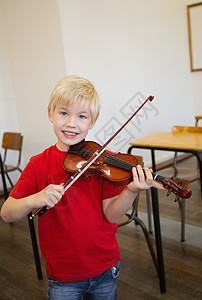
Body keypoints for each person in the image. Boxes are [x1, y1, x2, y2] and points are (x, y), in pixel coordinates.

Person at [1, 75, 163, 300]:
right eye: (64, 113)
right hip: (63, 275)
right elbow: (7, 213)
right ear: (50, 113)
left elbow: (111, 214)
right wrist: (36, 198)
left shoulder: (102, 161)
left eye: (82, 116)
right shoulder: (38, 164)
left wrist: (132, 190)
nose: (71, 123)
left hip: (105, 267)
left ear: (92, 121)